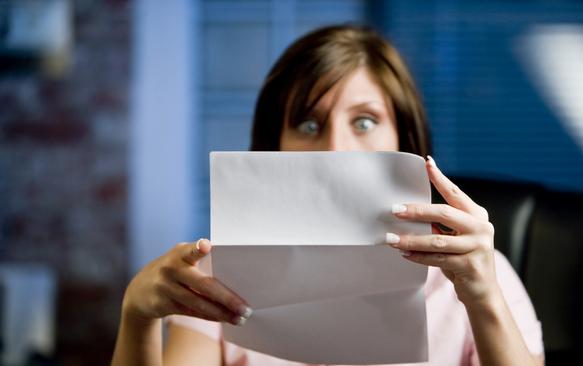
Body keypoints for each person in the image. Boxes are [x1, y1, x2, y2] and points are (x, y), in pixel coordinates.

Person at [112, 25, 544, 366]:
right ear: (273, 147)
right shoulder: (218, 274)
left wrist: (483, 294)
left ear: (404, 139)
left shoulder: (479, 275)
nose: (336, 146)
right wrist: (137, 316)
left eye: (364, 122)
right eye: (309, 124)